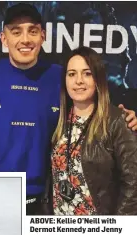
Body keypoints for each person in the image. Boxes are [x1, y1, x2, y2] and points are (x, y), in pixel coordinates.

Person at [0, 3, 137, 215]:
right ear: (3, 38)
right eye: (16, 32)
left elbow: (98, 106)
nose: (25, 39)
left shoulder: (61, 76)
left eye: (33, 31)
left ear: (43, 36)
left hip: (43, 202)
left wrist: (127, 118)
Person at [51, 46, 137, 215]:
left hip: (98, 233)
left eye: (87, 73)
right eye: (72, 74)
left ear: (98, 79)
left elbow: (133, 184)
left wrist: (115, 231)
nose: (79, 81)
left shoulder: (117, 121)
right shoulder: (59, 121)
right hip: (59, 231)